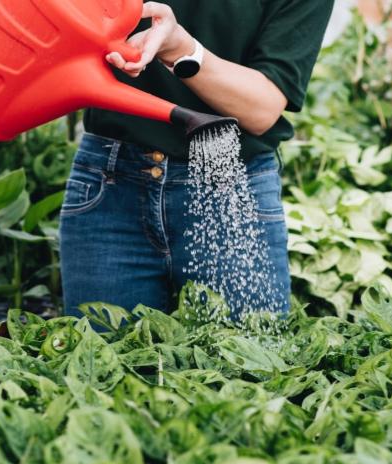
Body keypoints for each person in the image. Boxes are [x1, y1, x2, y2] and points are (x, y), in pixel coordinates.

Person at [60, 1, 335, 318]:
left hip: (230, 183)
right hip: (111, 186)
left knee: (244, 361)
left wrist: (180, 47)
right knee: (102, 360)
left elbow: (261, 108)